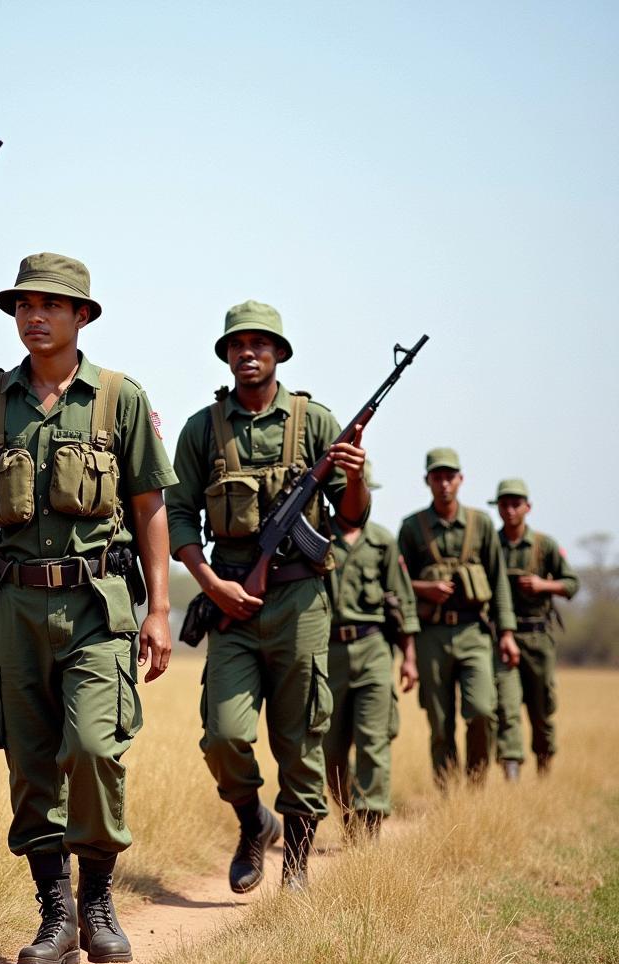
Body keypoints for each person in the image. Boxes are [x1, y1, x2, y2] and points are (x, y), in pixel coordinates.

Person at [0, 253, 176, 964]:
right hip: (12, 605)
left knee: (93, 750)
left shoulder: (119, 399)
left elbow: (150, 508)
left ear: (82, 316)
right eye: (24, 305)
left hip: (97, 604)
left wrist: (160, 610)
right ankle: (55, 915)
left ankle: (98, 898)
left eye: (51, 305)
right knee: (29, 763)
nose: (34, 317)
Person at [166, 300, 369, 893]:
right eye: (237, 344)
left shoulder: (317, 424)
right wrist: (209, 583)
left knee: (302, 738)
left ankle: (298, 868)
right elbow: (178, 515)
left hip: (301, 603)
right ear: (227, 355)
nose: (247, 352)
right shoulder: (203, 429)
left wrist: (353, 474)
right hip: (230, 601)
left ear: (279, 353)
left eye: (260, 343)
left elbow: (352, 515)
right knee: (224, 735)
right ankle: (253, 820)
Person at [398, 449, 519, 787]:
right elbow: (397, 582)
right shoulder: (411, 527)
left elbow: (498, 582)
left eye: (450, 476)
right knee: (440, 722)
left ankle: (476, 787)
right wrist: (426, 587)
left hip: (473, 632)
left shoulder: (481, 524)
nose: (444, 484)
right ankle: (448, 794)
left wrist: (506, 633)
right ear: (427, 481)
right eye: (437, 477)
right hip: (431, 634)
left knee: (482, 710)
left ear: (461, 480)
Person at [324, 465, 419, 840]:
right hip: (328, 651)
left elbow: (402, 602)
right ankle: (350, 815)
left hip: (375, 647)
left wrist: (409, 656)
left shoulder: (383, 541)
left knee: (373, 741)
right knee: (329, 750)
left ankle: (369, 827)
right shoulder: (317, 536)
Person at [489, 479, 579, 776]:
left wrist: (544, 585)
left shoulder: (545, 545)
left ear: (528, 507)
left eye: (516, 504)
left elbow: (571, 584)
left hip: (539, 637)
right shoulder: (492, 544)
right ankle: (511, 773)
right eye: (504, 504)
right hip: (503, 638)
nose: (511, 510)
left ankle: (544, 768)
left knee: (542, 709)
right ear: (498, 508)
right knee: (507, 708)